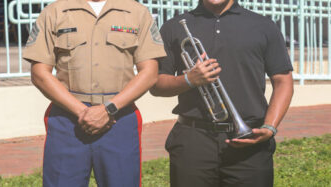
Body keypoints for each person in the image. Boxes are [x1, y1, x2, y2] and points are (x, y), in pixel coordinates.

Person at [150, 0, 294, 186]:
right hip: (194, 140)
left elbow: (283, 81)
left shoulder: (263, 25)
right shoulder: (173, 27)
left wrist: (270, 127)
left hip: (250, 139)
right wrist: (189, 80)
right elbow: (157, 85)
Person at [22, 0, 166, 186]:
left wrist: (108, 110)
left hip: (119, 118)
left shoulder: (136, 12)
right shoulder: (55, 12)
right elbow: (40, 74)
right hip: (68, 120)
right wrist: (82, 112)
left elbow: (150, 73)